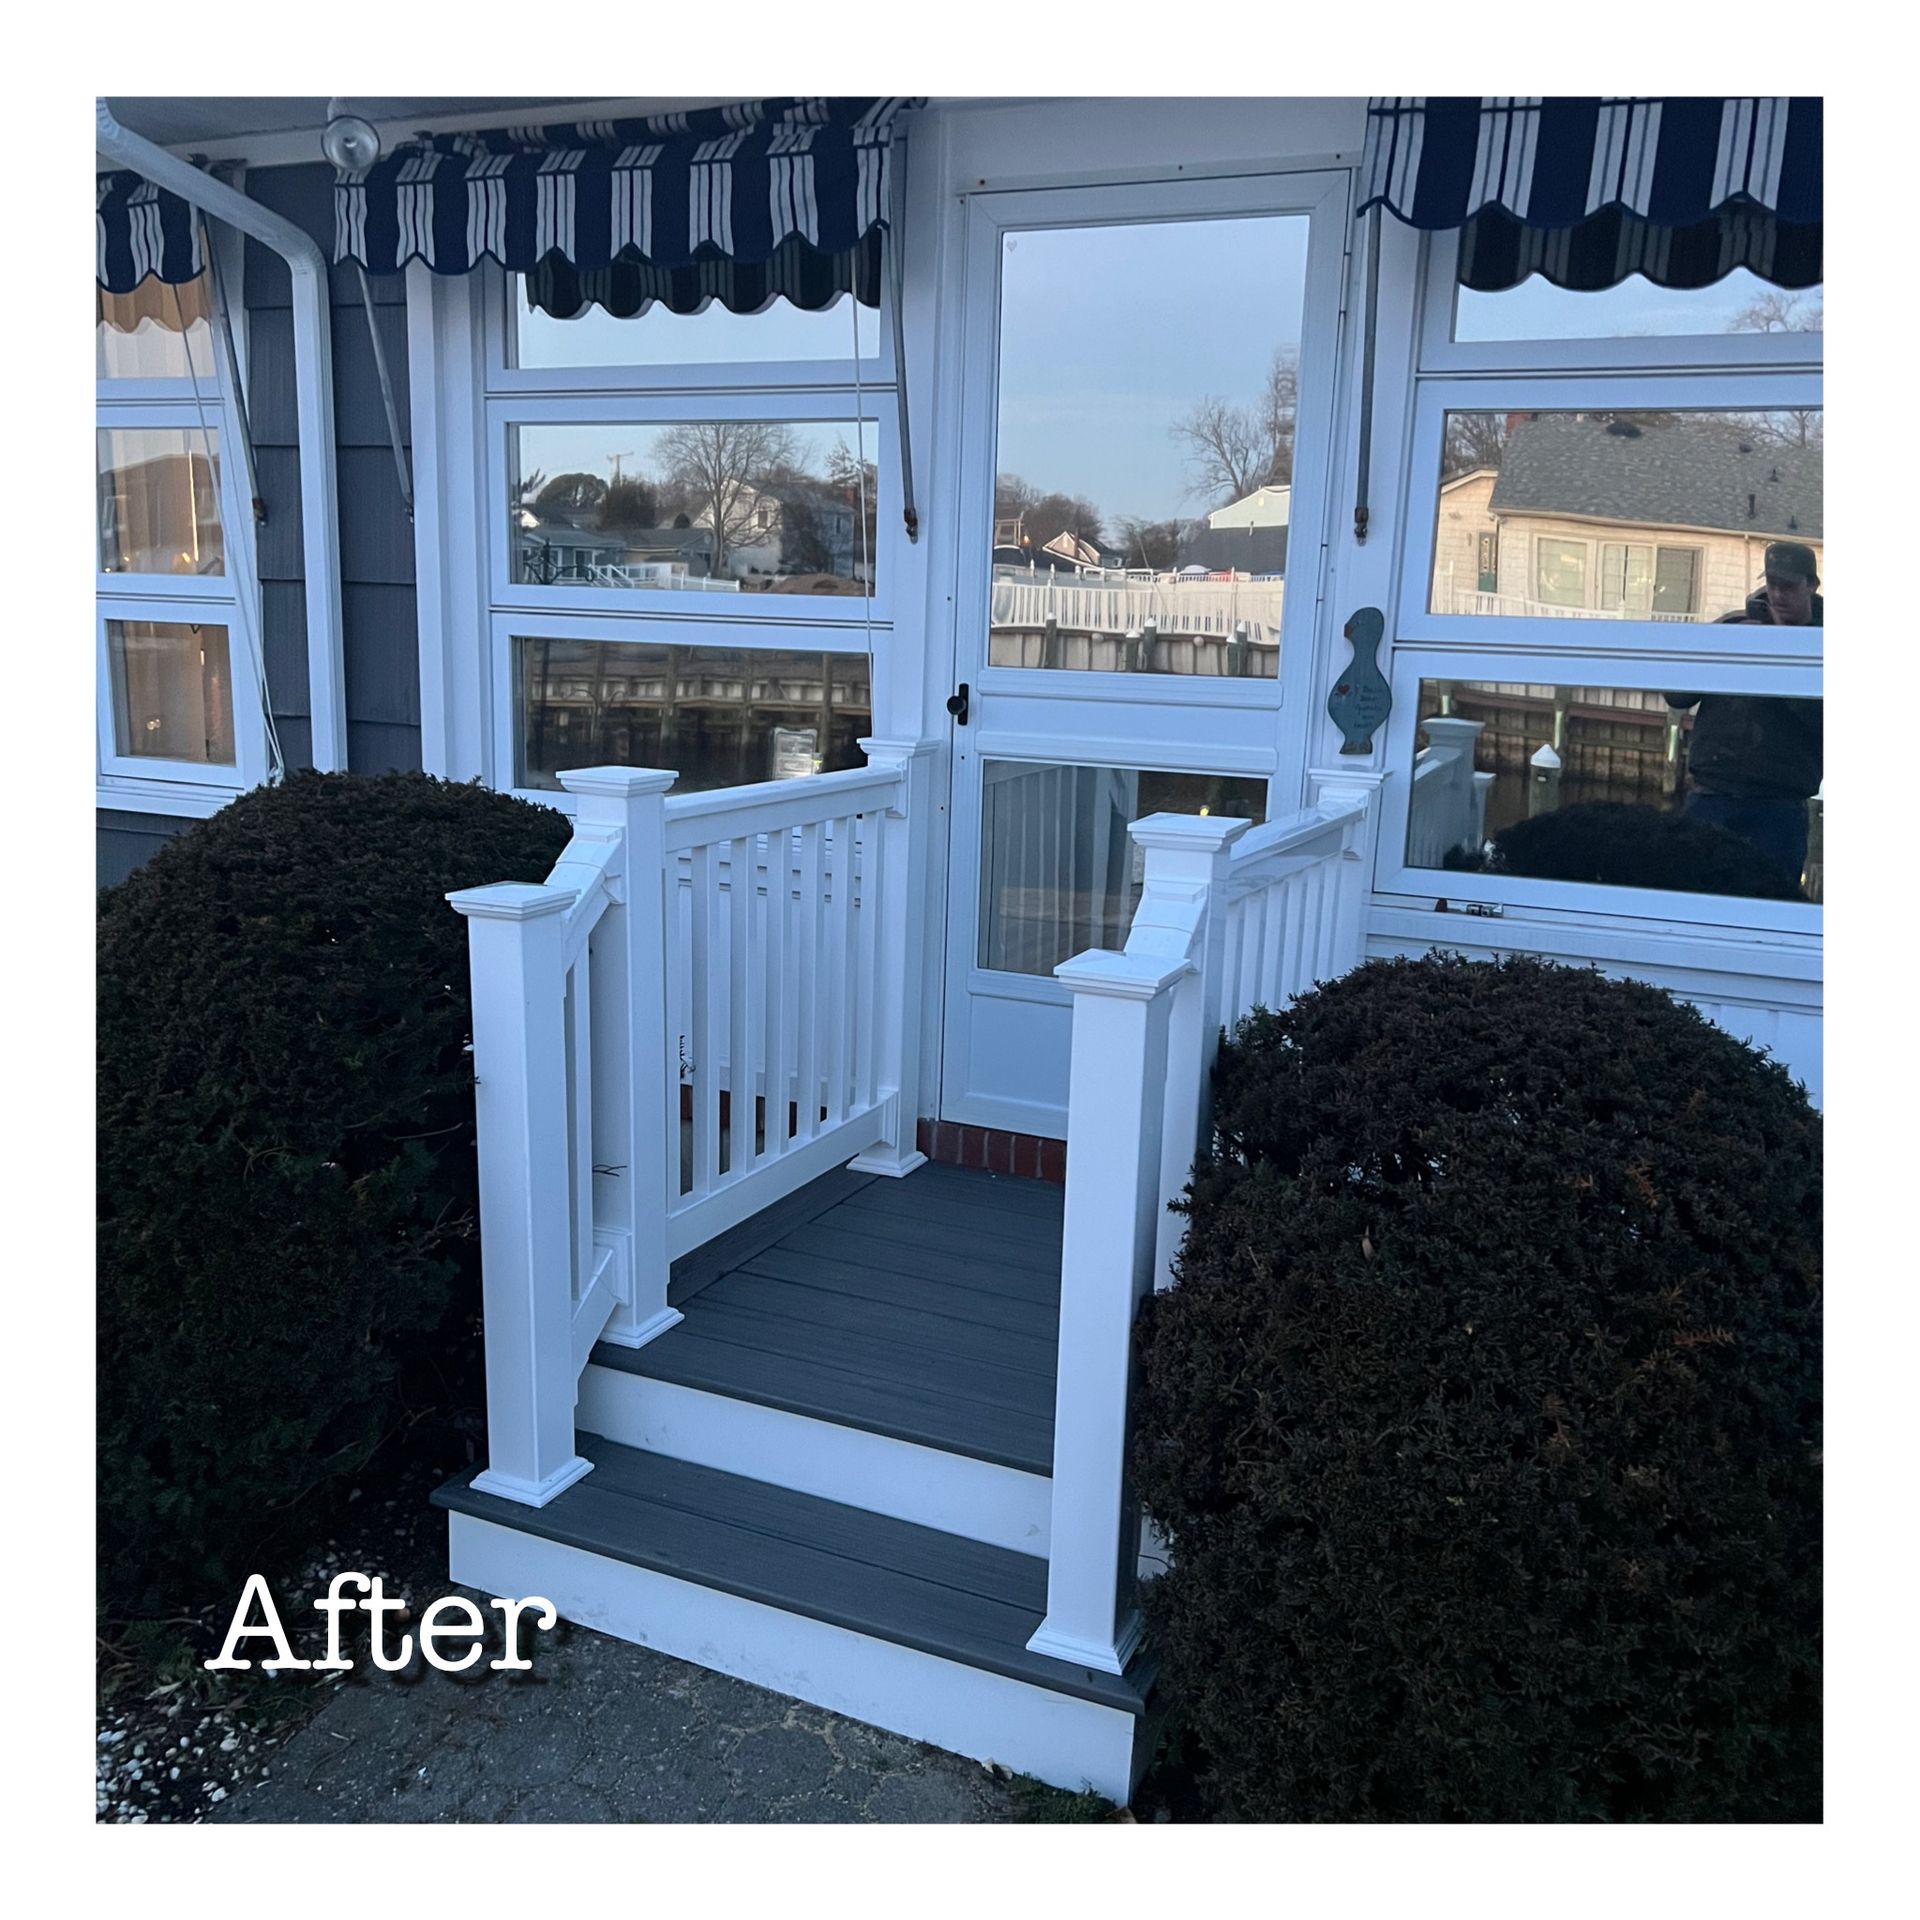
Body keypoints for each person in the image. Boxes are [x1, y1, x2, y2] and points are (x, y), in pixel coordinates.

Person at [1664, 541, 1824, 891]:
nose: (1778, 594)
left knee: (1771, 907)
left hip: (1778, 808)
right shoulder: (1737, 628)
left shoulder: (1824, 645)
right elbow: (1677, 695)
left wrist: (1779, 653)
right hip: (1711, 797)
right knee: (1690, 900)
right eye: (1773, 584)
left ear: (1811, 586)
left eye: (1789, 586)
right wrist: (1719, 642)